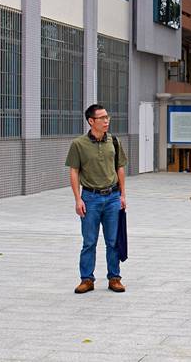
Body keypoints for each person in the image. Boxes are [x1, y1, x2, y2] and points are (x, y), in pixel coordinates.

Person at [66, 104, 127, 294]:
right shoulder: (78, 144)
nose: (106, 121)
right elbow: (74, 171)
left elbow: (120, 168)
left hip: (113, 197)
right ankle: (86, 279)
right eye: (102, 118)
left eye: (107, 117)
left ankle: (114, 278)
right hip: (90, 198)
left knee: (113, 241)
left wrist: (123, 195)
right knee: (89, 242)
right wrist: (78, 199)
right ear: (91, 121)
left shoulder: (114, 141)